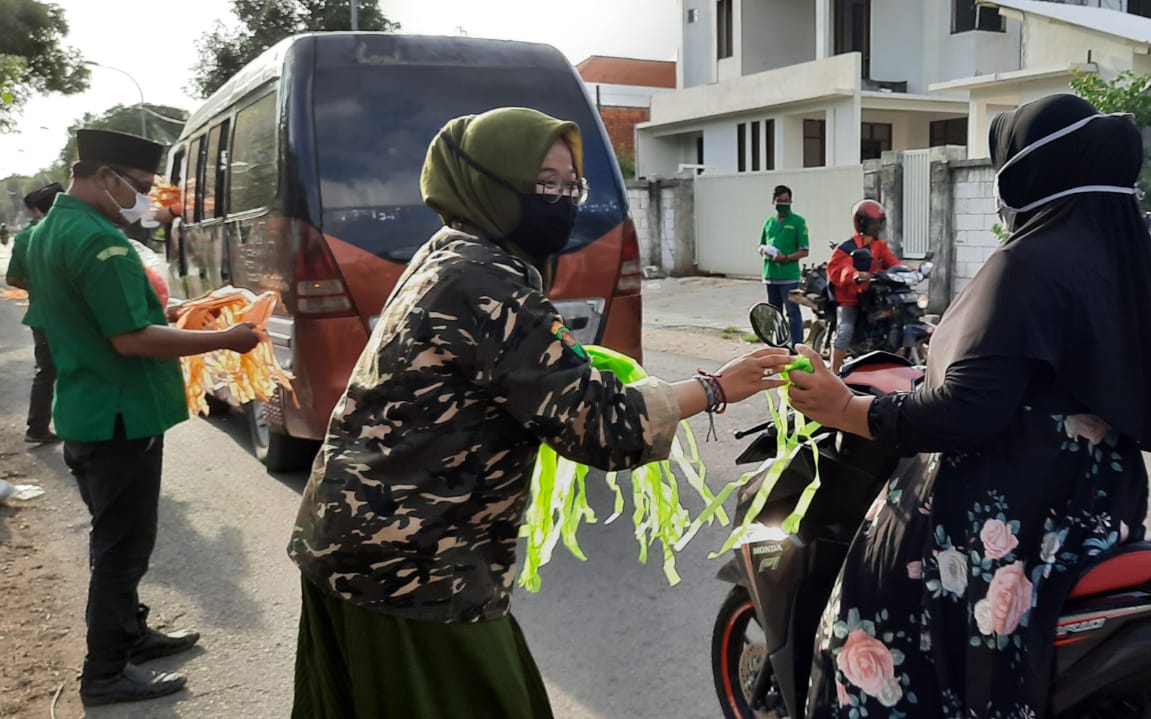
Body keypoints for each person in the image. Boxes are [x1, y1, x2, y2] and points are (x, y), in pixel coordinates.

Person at [287, 107, 791, 719]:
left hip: (358, 542)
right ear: (487, 182)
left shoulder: (452, 252)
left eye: (568, 184)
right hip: (410, 567)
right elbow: (603, 426)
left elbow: (516, 379)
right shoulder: (482, 279)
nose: (559, 200)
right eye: (541, 183)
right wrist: (718, 386)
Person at [786, 94, 1151, 718]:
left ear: (1026, 173)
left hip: (1007, 522)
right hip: (1096, 511)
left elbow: (961, 412)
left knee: (873, 626)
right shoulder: (1131, 261)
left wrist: (843, 409)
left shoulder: (1027, 263)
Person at [23, 129, 262, 706]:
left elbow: (74, 308)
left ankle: (133, 636)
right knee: (122, 548)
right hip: (119, 414)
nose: (145, 199)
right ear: (106, 177)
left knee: (118, 537)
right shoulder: (101, 243)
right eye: (141, 186)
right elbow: (130, 339)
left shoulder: (43, 233)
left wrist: (172, 309)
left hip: (85, 407)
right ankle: (104, 673)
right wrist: (225, 337)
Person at [6, 182, 64, 443]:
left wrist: (36, 284)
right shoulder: (63, 231)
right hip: (69, 316)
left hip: (41, 315)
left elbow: (13, 278)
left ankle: (37, 427)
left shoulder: (25, 237)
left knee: (46, 371)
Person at [826, 199, 902, 372]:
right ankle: (833, 373)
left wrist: (911, 272)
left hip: (872, 296)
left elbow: (893, 262)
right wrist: (855, 275)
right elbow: (838, 268)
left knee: (898, 319)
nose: (876, 226)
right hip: (850, 298)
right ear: (861, 223)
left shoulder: (879, 246)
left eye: (879, 222)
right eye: (873, 222)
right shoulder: (847, 247)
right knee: (846, 330)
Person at [759, 184, 810, 343]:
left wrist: (786, 257)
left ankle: (796, 346)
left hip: (789, 276)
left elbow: (804, 250)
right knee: (774, 314)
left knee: (793, 313)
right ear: (773, 202)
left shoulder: (798, 222)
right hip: (771, 275)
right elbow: (761, 244)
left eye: (787, 201)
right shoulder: (768, 223)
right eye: (780, 201)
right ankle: (778, 345)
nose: (784, 204)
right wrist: (764, 251)